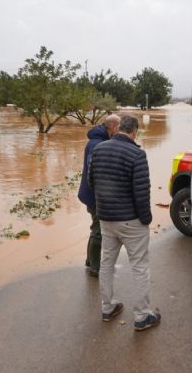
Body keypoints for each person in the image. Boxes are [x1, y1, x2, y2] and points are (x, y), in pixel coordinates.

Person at [88, 115, 161, 331]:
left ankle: (107, 307)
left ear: (119, 128)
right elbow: (142, 192)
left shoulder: (98, 149)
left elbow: (92, 181)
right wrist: (146, 219)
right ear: (134, 132)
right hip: (131, 222)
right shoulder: (137, 154)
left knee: (106, 263)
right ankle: (142, 316)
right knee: (139, 267)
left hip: (105, 218)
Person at [77, 114, 121, 277]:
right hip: (95, 196)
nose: (120, 131)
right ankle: (95, 268)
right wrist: (102, 195)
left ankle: (90, 261)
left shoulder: (98, 140)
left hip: (91, 194)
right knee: (98, 230)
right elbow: (94, 172)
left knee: (95, 227)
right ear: (113, 127)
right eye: (119, 127)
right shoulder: (97, 144)